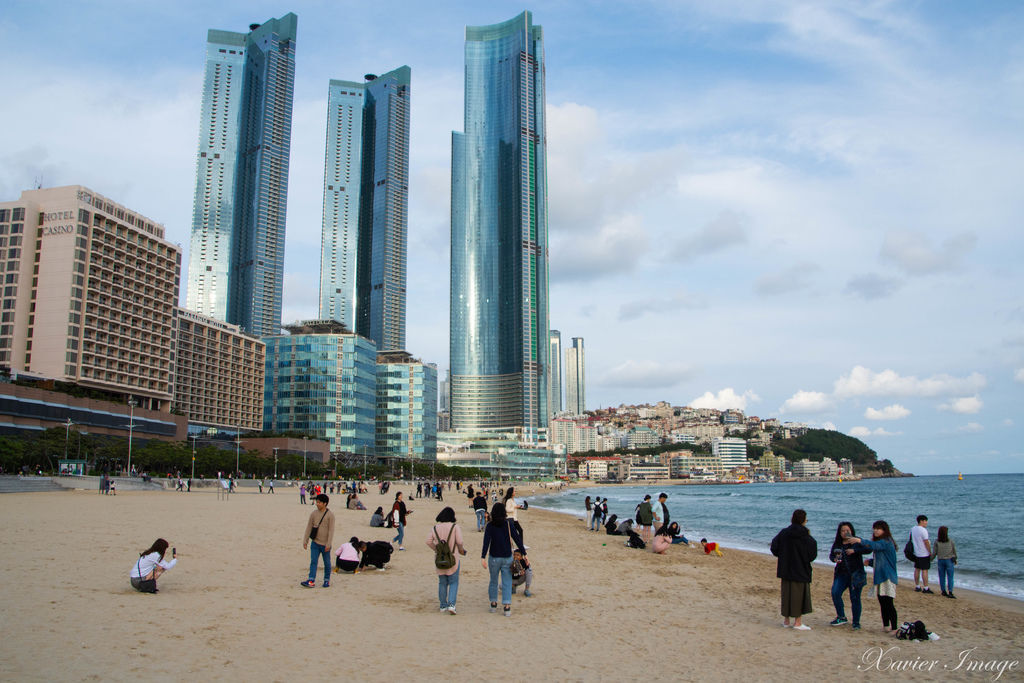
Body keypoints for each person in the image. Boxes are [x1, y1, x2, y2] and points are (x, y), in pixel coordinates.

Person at [845, 520, 899, 634]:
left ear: (884, 530)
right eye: (874, 529)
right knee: (882, 602)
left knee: (889, 603)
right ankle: (886, 626)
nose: (875, 531)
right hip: (879, 577)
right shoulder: (881, 542)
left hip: (888, 577)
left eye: (878, 529)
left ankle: (894, 627)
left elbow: (874, 545)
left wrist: (859, 540)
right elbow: (879, 559)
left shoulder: (887, 542)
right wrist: (869, 562)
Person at [770, 509, 817, 630]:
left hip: (786, 568)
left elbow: (774, 546)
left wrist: (783, 555)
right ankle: (797, 622)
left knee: (787, 595)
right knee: (799, 596)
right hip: (800, 569)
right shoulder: (805, 536)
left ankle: (786, 620)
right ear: (803, 520)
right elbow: (812, 553)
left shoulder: (784, 533)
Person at [482, 503, 526, 617]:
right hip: (507, 557)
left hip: (494, 557)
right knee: (507, 582)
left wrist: (483, 557)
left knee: (493, 581)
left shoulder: (490, 525)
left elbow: (486, 542)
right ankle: (507, 607)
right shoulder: (508, 524)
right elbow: (517, 539)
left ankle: (493, 603)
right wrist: (524, 553)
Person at [426, 507, 468, 614]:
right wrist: (461, 550)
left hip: (439, 558)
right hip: (453, 557)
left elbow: (428, 541)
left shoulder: (435, 528)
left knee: (442, 582)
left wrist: (437, 549)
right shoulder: (455, 527)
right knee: (453, 582)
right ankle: (451, 605)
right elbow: (459, 541)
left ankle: (443, 605)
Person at [829, 522, 866, 630]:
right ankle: (841, 616)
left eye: (847, 530)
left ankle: (856, 622)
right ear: (839, 533)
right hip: (841, 574)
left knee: (855, 598)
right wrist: (834, 559)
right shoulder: (838, 543)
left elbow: (868, 549)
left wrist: (855, 550)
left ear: (851, 531)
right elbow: (831, 555)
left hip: (856, 574)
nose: (845, 533)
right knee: (835, 592)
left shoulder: (856, 541)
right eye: (843, 531)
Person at [301, 494, 335, 588]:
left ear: (325, 503)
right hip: (315, 543)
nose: (317, 504)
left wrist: (328, 544)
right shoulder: (313, 514)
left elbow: (331, 530)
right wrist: (305, 540)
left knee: (327, 563)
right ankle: (311, 580)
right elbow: (309, 527)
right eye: (317, 502)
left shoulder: (330, 515)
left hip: (325, 544)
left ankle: (326, 580)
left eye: (319, 502)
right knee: (314, 561)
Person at [932, 525, 958, 598]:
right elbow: (954, 551)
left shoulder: (937, 542)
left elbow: (934, 553)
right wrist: (955, 559)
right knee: (950, 577)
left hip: (940, 560)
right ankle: (950, 592)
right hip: (949, 560)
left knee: (942, 576)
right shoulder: (950, 541)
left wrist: (930, 559)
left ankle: (943, 591)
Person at [911, 515, 933, 594]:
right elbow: (926, 542)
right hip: (923, 553)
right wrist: (930, 551)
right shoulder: (923, 530)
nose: (926, 523)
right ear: (921, 521)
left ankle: (917, 586)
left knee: (917, 569)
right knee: (924, 570)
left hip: (916, 552)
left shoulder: (913, 529)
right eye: (925, 521)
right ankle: (926, 587)